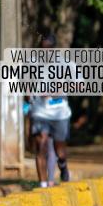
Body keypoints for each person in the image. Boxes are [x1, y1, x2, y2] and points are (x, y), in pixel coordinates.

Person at [28, 34, 71, 188]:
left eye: (48, 48)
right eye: (43, 48)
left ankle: (63, 164)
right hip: (39, 111)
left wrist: (59, 89)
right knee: (41, 145)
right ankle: (43, 184)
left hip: (59, 112)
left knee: (59, 149)